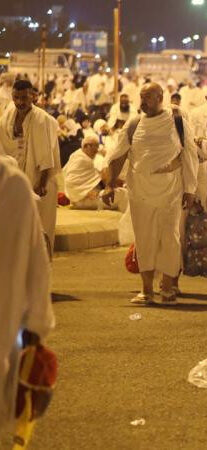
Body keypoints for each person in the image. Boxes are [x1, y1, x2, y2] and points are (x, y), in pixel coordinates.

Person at [101, 82, 199, 305]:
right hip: (140, 189)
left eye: (148, 97)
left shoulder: (177, 120)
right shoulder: (134, 123)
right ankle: (146, 290)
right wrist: (108, 185)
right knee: (144, 239)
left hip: (171, 188)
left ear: (160, 97)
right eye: (141, 97)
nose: (143, 102)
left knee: (170, 239)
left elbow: (190, 155)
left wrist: (190, 189)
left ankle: (167, 287)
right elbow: (118, 155)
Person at [0, 158, 56, 433]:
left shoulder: (12, 186)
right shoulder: (12, 184)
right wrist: (36, 328)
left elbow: (36, 266)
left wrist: (34, 330)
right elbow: (38, 267)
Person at [0, 80, 61, 255]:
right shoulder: (9, 114)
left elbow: (46, 155)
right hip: (18, 179)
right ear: (12, 97)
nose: (20, 102)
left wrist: (41, 184)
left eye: (24, 98)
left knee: (40, 228)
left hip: (41, 181)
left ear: (32, 96)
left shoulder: (42, 120)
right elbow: (5, 144)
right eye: (16, 98)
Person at [63, 134, 107, 209]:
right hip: (82, 199)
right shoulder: (81, 159)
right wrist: (86, 193)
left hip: (88, 195)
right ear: (87, 146)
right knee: (118, 196)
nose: (97, 150)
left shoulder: (80, 155)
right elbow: (70, 181)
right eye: (96, 146)